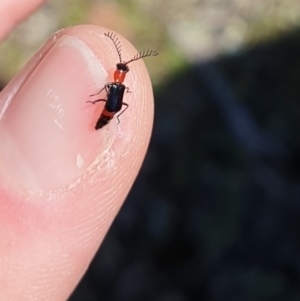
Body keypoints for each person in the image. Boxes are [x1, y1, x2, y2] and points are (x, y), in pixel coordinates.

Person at [0, 1, 154, 300]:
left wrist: (106, 107)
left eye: (121, 70)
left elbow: (113, 98)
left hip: (107, 112)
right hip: (107, 111)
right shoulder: (117, 85)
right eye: (120, 69)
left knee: (108, 102)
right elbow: (113, 97)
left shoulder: (117, 86)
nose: (120, 72)